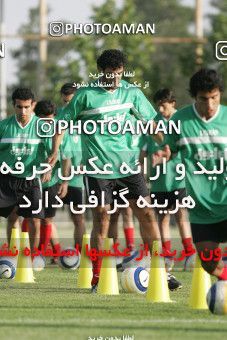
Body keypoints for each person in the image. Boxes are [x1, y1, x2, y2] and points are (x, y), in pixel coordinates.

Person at [48, 49, 168, 292]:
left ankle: (160, 271)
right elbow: (61, 125)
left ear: (123, 71)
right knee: (102, 217)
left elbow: (151, 123)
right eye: (109, 74)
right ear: (100, 72)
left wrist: (166, 145)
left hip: (128, 166)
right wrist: (54, 152)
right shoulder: (85, 96)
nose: (114, 78)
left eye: (119, 73)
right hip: (98, 168)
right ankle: (97, 276)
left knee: (146, 214)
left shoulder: (132, 93)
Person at [152, 69, 227, 281]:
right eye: (204, 99)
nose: (210, 105)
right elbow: (170, 149)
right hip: (202, 209)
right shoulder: (181, 121)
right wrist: (163, 154)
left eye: (215, 98)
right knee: (209, 264)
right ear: (194, 97)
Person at [141, 88, 194, 277]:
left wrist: (163, 157)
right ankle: (167, 255)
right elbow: (144, 150)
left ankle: (189, 253)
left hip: (179, 178)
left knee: (181, 215)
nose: (161, 110)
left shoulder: (183, 121)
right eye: (158, 107)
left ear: (172, 103)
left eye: (163, 106)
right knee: (162, 218)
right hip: (159, 182)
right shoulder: (154, 124)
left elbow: (181, 149)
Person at [0, 88, 50, 250]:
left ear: (33, 105)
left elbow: (52, 150)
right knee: (12, 217)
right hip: (8, 178)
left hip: (31, 179)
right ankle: (13, 253)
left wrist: (48, 167)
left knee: (34, 219)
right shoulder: (4, 126)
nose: (23, 111)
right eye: (19, 107)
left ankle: (32, 256)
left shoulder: (42, 126)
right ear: (13, 105)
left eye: (27, 107)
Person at [57, 83, 86, 252]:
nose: (69, 105)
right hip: (55, 177)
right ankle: (46, 252)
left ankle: (80, 253)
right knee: (43, 217)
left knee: (78, 217)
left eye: (71, 101)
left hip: (77, 178)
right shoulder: (59, 116)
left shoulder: (86, 118)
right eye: (66, 101)